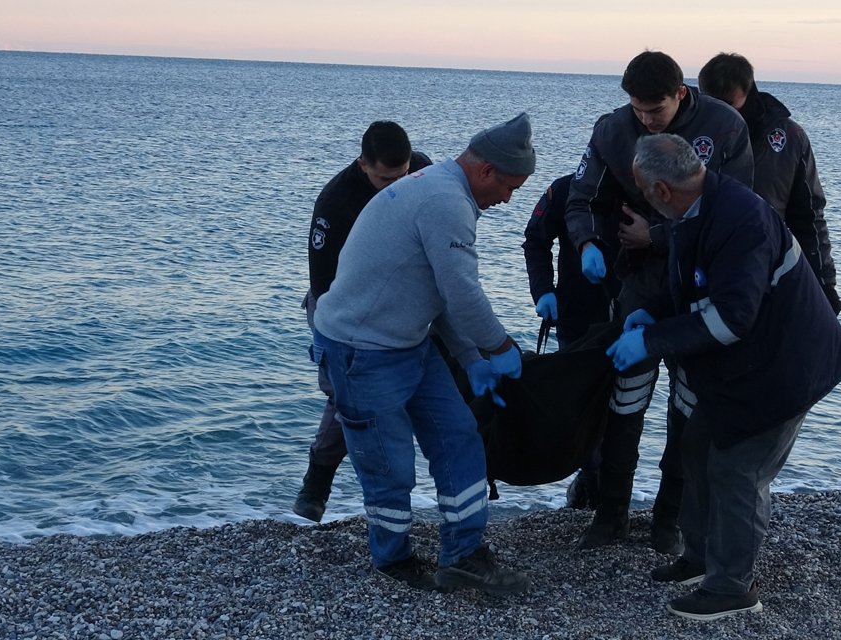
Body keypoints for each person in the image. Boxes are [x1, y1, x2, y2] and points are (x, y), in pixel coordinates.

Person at [608, 134, 841, 620]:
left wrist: (652, 341)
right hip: (748, 363)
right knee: (698, 445)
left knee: (739, 469)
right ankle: (700, 556)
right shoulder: (694, 209)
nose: (642, 200)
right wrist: (653, 314)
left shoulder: (742, 219)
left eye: (642, 190)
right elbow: (693, 283)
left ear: (661, 190)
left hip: (787, 366)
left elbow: (731, 319)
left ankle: (733, 587)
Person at [312, 113, 537, 595]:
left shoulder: (441, 186)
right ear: (486, 170)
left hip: (410, 341)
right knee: (389, 466)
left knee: (459, 437)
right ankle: (393, 560)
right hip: (360, 350)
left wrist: (471, 358)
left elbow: (439, 294)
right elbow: (462, 294)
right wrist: (499, 347)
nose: (507, 199)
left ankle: (463, 554)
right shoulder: (444, 201)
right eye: (509, 187)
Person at [563, 50, 753, 554]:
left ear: (681, 95)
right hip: (640, 284)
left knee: (688, 403)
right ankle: (611, 515)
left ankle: (669, 519)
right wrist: (587, 243)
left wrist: (658, 235)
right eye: (638, 110)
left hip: (699, 284)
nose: (646, 119)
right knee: (625, 398)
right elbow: (583, 198)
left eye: (656, 110)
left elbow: (737, 214)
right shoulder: (611, 131)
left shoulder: (725, 127)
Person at [294, 121, 433, 524]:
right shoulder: (336, 202)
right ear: (363, 165)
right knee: (345, 394)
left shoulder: (421, 171)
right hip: (339, 304)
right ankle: (317, 481)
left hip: (400, 298)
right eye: (385, 179)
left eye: (402, 175)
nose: (396, 186)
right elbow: (323, 286)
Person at [698, 52, 841, 314]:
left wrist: (824, 284)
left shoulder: (790, 137)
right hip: (703, 273)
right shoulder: (691, 133)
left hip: (767, 272)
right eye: (713, 104)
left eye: (729, 104)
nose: (722, 113)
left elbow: (809, 217)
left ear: (748, 92)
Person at [521, 173, 618, 510]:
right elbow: (535, 240)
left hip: (630, 318)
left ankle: (614, 492)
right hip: (575, 320)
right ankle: (592, 488)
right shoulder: (565, 190)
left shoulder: (644, 190)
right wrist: (543, 291)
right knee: (581, 410)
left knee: (623, 410)